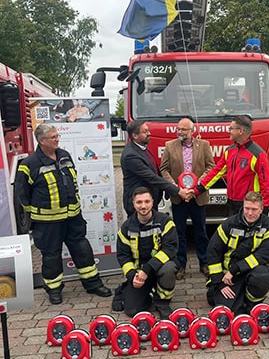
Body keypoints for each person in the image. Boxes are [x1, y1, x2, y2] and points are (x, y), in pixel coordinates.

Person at [15, 124, 111, 304]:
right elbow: (22, 195)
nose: (57, 139)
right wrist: (37, 213)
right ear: (42, 141)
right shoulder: (29, 164)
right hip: (47, 222)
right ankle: (53, 289)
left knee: (82, 251)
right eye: (53, 137)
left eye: (57, 135)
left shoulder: (64, 156)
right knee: (51, 256)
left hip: (73, 217)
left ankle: (93, 284)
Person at [160, 116, 215, 280]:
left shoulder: (204, 145)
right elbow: (164, 169)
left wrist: (197, 187)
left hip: (197, 196)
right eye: (178, 129)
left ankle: (204, 263)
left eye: (183, 129)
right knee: (179, 233)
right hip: (179, 197)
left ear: (192, 131)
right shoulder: (170, 146)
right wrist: (177, 189)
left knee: (201, 231)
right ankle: (180, 265)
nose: (180, 132)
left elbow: (211, 167)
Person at [206, 191, 269, 315]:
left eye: (254, 209)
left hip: (250, 271)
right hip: (228, 277)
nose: (250, 213)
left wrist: (235, 269)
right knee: (225, 310)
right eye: (247, 208)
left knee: (263, 276)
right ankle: (233, 296)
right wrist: (219, 283)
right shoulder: (229, 224)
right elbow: (213, 252)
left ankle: (251, 303)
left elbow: (263, 256)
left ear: (261, 209)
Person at [114, 187, 178, 319]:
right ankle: (132, 290)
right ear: (133, 204)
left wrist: (147, 269)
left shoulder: (165, 222)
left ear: (153, 202)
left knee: (169, 268)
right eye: (139, 202)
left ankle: (162, 302)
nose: (143, 206)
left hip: (158, 268)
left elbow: (170, 249)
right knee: (132, 310)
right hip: (139, 274)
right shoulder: (126, 228)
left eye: (147, 201)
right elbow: (123, 256)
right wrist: (133, 276)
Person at [193, 114, 269, 215]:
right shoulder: (229, 151)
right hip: (231, 203)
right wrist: (198, 189)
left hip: (249, 206)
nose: (228, 131)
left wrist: (264, 207)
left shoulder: (258, 154)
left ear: (240, 131)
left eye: (231, 128)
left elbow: (266, 184)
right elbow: (216, 172)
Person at [120, 119, 192, 217]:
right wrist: (178, 191)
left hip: (149, 201)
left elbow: (156, 171)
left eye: (148, 130)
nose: (149, 133)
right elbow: (152, 177)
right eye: (145, 132)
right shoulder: (131, 156)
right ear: (135, 136)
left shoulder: (142, 148)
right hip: (139, 205)